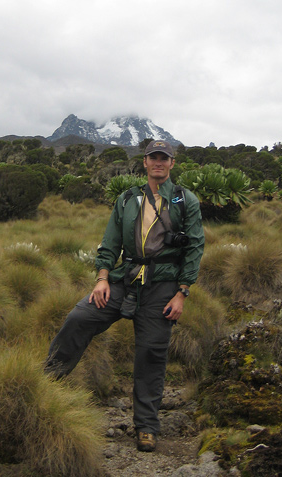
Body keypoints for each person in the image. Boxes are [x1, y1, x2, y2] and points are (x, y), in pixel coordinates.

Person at [45, 140, 205, 452]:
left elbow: (195, 246)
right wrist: (102, 278)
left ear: (172, 164)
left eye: (164, 158)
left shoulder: (186, 200)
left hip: (163, 285)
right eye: (152, 158)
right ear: (144, 162)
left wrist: (182, 292)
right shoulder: (127, 199)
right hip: (125, 279)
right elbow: (110, 242)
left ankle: (146, 426)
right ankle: (46, 381)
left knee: (151, 353)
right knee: (80, 317)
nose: (158, 162)